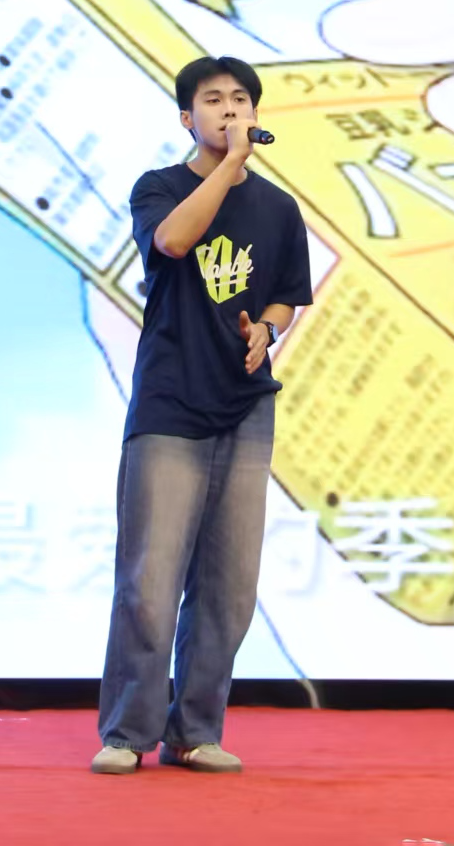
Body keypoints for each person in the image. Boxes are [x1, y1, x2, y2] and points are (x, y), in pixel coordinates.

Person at [91, 56, 313, 776]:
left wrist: (267, 329)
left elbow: (286, 293)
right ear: (187, 119)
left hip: (245, 406)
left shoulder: (278, 209)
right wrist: (230, 166)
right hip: (170, 402)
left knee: (229, 587)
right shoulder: (159, 187)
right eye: (213, 101)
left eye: (240, 98)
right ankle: (128, 733)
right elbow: (175, 242)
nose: (229, 109)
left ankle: (194, 731)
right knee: (151, 583)